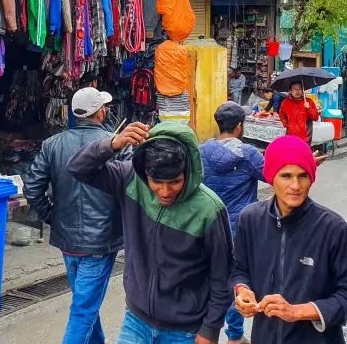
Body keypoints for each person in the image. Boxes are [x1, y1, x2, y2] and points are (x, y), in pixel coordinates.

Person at [69, 121, 233, 344]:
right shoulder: (129, 180)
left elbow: (222, 276)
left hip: (184, 331)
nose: (165, 192)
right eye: (156, 181)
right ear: (145, 173)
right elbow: (78, 168)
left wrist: (210, 330)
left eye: (175, 182)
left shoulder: (209, 209)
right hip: (136, 321)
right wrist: (113, 144)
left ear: (189, 171)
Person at [230, 135, 347, 343]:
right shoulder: (251, 219)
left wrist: (299, 311)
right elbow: (238, 268)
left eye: (303, 176)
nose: (296, 185)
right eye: (286, 176)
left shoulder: (332, 228)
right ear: (271, 178)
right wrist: (242, 289)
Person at [24, 87, 125, 344]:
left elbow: (32, 188)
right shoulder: (115, 144)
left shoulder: (53, 144)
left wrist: (52, 216)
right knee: (84, 308)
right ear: (100, 112)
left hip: (69, 238)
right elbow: (132, 188)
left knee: (85, 303)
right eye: (104, 107)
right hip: (100, 240)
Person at [200, 102, 266, 344]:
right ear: (239, 126)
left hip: (207, 226)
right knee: (236, 281)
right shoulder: (248, 154)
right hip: (239, 229)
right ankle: (235, 336)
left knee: (208, 279)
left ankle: (205, 331)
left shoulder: (201, 151)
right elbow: (273, 175)